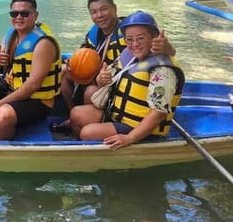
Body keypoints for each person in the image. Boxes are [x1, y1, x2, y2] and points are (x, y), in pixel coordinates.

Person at [53, 0, 175, 132]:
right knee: (64, 72)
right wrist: (73, 62)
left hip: (120, 80)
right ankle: (73, 115)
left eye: (103, 9)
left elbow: (160, 45)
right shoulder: (95, 33)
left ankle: (92, 122)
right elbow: (84, 51)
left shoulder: (130, 31)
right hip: (104, 75)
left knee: (90, 91)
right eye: (94, 12)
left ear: (114, 9)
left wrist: (168, 49)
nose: (99, 15)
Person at [70, 11, 185, 150]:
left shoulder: (162, 71)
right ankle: (82, 150)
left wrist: (130, 137)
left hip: (140, 127)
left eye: (141, 38)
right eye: (129, 39)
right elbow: (110, 78)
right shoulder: (128, 55)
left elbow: (158, 114)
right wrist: (101, 79)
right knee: (77, 114)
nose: (134, 44)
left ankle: (99, 154)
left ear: (154, 37)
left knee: (87, 132)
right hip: (118, 116)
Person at [0, 0, 62, 141]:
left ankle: (3, 150)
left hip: (37, 101)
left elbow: (33, 85)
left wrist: (1, 103)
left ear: (35, 15)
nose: (19, 17)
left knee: (3, 113)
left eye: (24, 13)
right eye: (14, 13)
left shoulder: (43, 43)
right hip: (11, 88)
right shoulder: (11, 35)